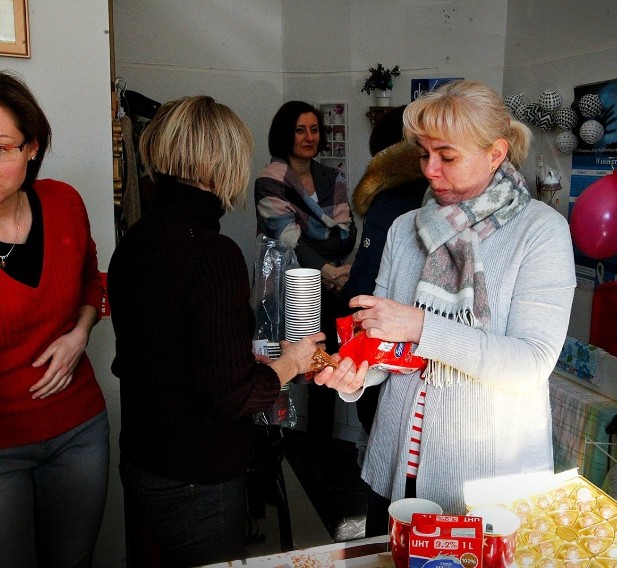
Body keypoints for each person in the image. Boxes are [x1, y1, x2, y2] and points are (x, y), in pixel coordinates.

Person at [108, 95, 366, 567]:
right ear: (216, 162)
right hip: (196, 476)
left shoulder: (135, 240)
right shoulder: (212, 254)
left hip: (143, 460)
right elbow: (229, 397)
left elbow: (168, 351)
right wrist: (292, 360)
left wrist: (242, 359)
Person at [338, 80, 576, 534]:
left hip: (485, 482)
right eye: (423, 153)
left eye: (447, 157)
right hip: (395, 470)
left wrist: (422, 326)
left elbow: (530, 361)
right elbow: (387, 346)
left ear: (495, 153)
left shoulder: (540, 232)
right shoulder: (406, 227)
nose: (429, 169)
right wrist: (355, 369)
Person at [0, 71, 109, 567]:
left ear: (31, 148)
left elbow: (92, 278)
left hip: (78, 429)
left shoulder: (63, 202)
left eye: (3, 147)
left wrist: (80, 333)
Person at [255, 100, 357, 439]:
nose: (309, 136)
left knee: (323, 364)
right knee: (278, 367)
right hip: (286, 293)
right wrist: (327, 267)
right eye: (300, 129)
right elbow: (287, 239)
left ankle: (321, 445)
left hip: (330, 290)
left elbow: (347, 233)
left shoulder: (332, 177)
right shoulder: (269, 182)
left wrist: (328, 267)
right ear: (285, 134)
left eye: (314, 129)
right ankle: (275, 445)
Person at [338, 105, 428, 439]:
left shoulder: (390, 201)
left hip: (388, 362)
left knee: (380, 440)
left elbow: (367, 292)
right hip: (435, 385)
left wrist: (345, 300)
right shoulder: (436, 201)